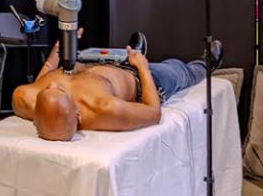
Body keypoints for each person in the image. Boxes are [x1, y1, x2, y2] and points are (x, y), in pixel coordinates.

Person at [12, 32, 222, 141]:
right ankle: (205, 64)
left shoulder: (25, 98)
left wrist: (58, 52)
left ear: (36, 117)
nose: (55, 82)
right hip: (136, 78)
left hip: (95, 65)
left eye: (49, 88)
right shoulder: (105, 109)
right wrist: (142, 67)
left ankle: (131, 53)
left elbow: (43, 79)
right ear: (76, 113)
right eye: (60, 90)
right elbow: (153, 112)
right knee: (177, 69)